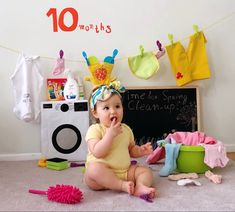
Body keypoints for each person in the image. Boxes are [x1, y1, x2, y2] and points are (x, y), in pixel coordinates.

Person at [84, 81, 156, 199]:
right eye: (106, 108)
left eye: (117, 106)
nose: (113, 111)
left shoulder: (126, 129)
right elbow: (97, 152)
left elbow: (130, 150)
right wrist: (110, 135)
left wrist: (140, 150)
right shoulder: (95, 129)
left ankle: (140, 186)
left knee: (145, 171)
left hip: (124, 172)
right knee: (93, 169)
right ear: (95, 112)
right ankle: (121, 186)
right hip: (101, 176)